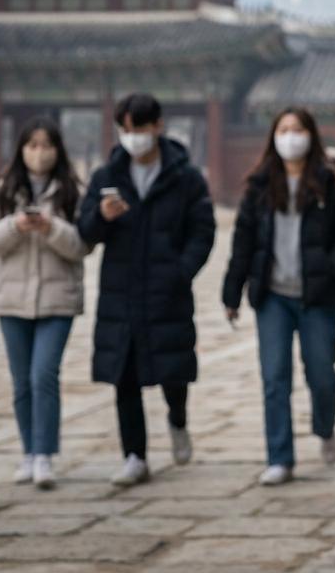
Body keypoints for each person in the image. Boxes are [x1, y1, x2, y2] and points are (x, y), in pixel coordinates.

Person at [77, 93, 215, 485]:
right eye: (126, 129)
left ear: (158, 126)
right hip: (121, 290)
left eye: (139, 127)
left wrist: (182, 269)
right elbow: (85, 229)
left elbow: (202, 230)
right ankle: (134, 455)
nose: (133, 136)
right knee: (125, 373)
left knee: (173, 369)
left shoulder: (185, 177)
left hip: (167, 288)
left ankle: (177, 419)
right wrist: (101, 218)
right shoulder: (107, 177)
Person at [222, 108, 335, 486]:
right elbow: (243, 240)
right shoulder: (259, 184)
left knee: (321, 374)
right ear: (273, 137)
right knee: (274, 377)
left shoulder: (330, 181)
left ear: (310, 135)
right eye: (283, 129)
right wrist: (232, 290)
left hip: (318, 295)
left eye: (297, 129)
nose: (290, 136)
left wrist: (331, 265)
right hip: (273, 295)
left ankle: (324, 425)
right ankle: (280, 457)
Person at [0, 118, 90, 489]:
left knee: (44, 376)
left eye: (47, 145)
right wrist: (14, 226)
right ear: (21, 149)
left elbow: (83, 245)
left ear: (58, 150)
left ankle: (44, 454)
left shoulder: (72, 192)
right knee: (21, 381)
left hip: (58, 300)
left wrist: (50, 228)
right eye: (32, 144)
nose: (40, 153)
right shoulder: (3, 191)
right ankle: (27, 451)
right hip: (13, 300)